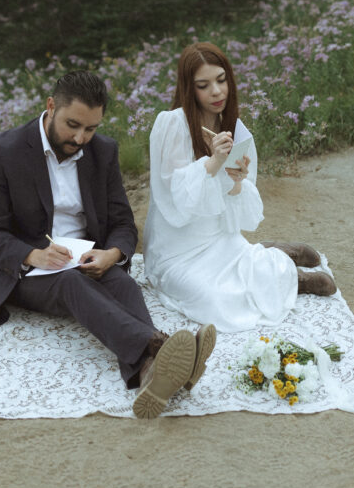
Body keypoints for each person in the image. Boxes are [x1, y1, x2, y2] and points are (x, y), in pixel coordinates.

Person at [0, 70, 216, 418]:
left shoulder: (103, 152)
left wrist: (112, 253)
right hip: (23, 271)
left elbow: (122, 223)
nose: (81, 137)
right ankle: (159, 347)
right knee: (72, 283)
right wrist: (33, 254)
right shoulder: (2, 152)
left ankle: (150, 372)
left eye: (91, 128)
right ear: (51, 106)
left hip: (83, 259)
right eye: (73, 125)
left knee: (123, 283)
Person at [143, 42, 336, 334]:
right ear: (188, 88)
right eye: (204, 85)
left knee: (247, 265)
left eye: (221, 80)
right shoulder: (172, 124)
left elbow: (236, 214)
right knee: (214, 299)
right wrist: (213, 162)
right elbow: (174, 200)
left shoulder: (235, 128)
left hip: (219, 238)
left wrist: (236, 182)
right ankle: (282, 265)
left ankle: (286, 270)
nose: (217, 91)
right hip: (177, 249)